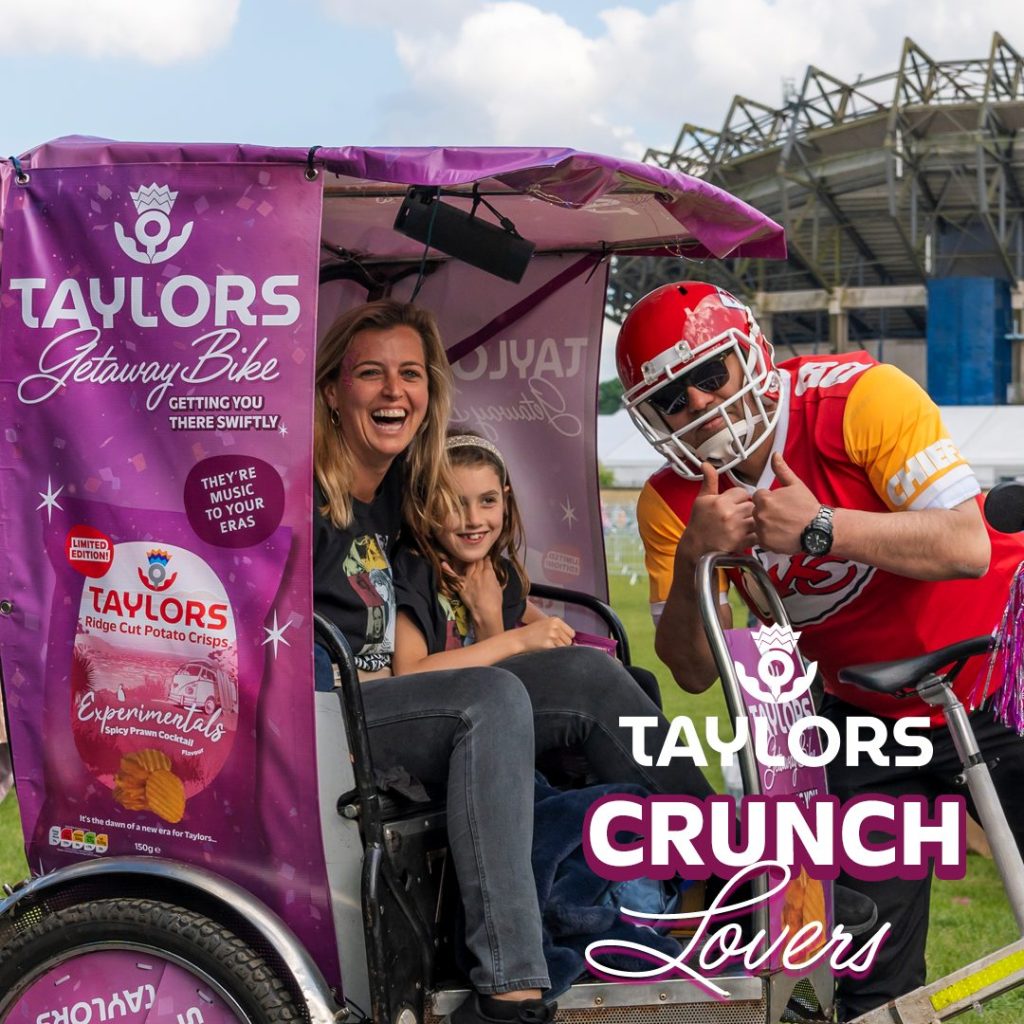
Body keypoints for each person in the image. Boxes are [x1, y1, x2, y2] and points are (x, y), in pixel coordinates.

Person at [616, 279, 1024, 1019]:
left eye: (711, 375)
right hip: (869, 706)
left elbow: (966, 544)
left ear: (753, 355)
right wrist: (694, 564)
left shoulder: (860, 398)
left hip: (1001, 668)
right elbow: (692, 669)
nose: (701, 407)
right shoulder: (671, 501)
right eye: (674, 399)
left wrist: (821, 527)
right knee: (864, 970)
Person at [313, 299, 715, 1024]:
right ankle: (511, 990)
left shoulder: (400, 489)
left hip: (392, 701)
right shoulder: (304, 490)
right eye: (370, 373)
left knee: (594, 677)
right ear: (332, 390)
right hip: (326, 710)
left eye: (410, 374)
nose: (392, 391)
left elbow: (468, 531)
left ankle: (737, 860)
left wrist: (510, 615)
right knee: (490, 696)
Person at [391, 430, 662, 709]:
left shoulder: (501, 574)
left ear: (505, 501)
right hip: (458, 713)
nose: (473, 519)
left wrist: (492, 616)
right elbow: (409, 671)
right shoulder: (416, 569)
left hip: (503, 703)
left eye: (488, 501)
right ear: (427, 505)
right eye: (455, 503)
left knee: (640, 680)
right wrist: (514, 637)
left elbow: (558, 638)